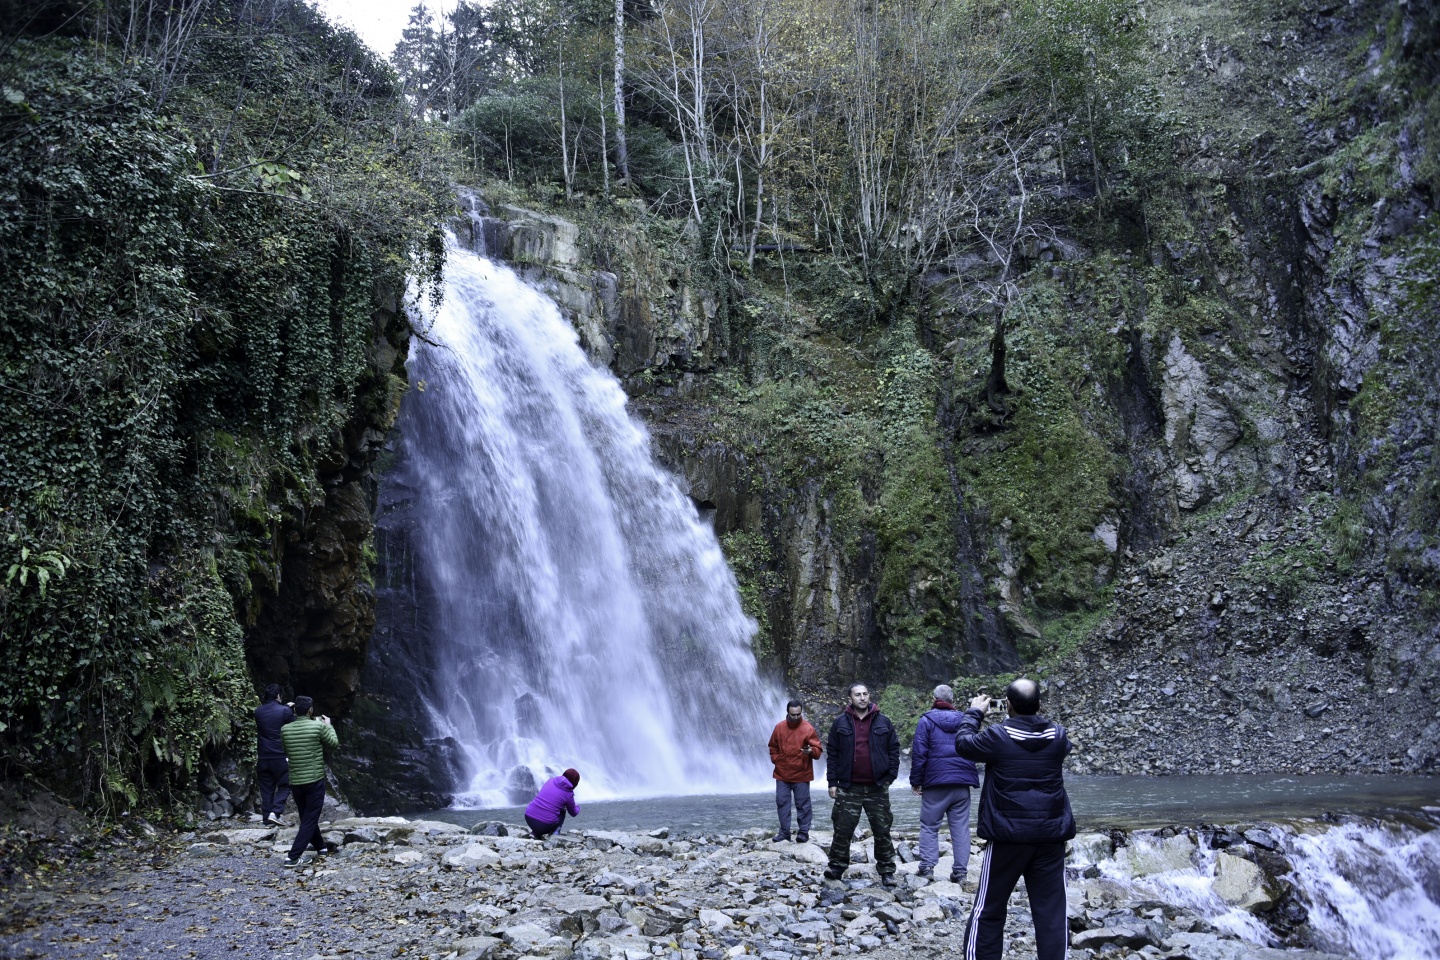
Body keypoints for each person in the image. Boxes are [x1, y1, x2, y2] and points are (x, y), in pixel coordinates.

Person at [954, 678, 1075, 960]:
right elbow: (1057, 743)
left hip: (1007, 836)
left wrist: (974, 713)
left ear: (1007, 705)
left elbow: (963, 745)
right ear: (1040, 705)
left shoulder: (997, 736)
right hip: (1050, 836)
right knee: (1052, 913)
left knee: (989, 909)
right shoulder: (1058, 736)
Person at [823, 682, 900, 885]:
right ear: (850, 698)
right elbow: (833, 754)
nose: (862, 697)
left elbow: (894, 749)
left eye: (865, 693)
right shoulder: (840, 723)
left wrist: (891, 775)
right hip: (849, 786)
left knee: (882, 830)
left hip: (877, 786)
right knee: (843, 829)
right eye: (858, 694)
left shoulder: (883, 721)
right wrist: (832, 782)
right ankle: (836, 867)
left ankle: (887, 871)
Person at [909, 683, 979, 882]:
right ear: (952, 700)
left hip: (935, 783)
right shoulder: (966, 720)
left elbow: (920, 753)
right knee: (961, 828)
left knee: (929, 826)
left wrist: (916, 781)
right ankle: (960, 872)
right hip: (961, 783)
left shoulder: (926, 720)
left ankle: (927, 868)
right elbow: (974, 747)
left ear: (934, 698)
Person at [280, 696, 339, 867]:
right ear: (311, 710)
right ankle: (293, 857)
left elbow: (285, 750)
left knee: (306, 816)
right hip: (314, 780)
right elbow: (333, 743)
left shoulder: (285, 729)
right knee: (310, 819)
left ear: (294, 710)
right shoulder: (318, 726)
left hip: (296, 781)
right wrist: (329, 726)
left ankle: (321, 847)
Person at [768, 700, 824, 842]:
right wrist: (776, 760)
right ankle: (784, 832)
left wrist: (810, 751)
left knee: (803, 804)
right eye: (793, 715)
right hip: (782, 773)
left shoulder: (807, 728)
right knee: (782, 803)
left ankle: (803, 832)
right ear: (787, 712)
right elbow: (773, 746)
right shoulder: (779, 727)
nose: (796, 717)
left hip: (802, 773)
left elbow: (818, 751)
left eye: (798, 714)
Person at [254, 683, 294, 827]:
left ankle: (267, 819)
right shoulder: (285, 711)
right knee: (286, 784)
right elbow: (293, 725)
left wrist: (285, 708)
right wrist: (288, 709)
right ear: (278, 696)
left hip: (263, 756)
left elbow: (271, 720)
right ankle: (276, 813)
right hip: (280, 756)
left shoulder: (258, 711)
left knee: (266, 789)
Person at [525, 768, 580, 839]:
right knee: (562, 811)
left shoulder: (550, 780)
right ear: (575, 782)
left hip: (528, 817)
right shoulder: (568, 793)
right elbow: (574, 813)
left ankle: (534, 833)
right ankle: (556, 833)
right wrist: (577, 806)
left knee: (543, 809)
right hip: (544, 825)